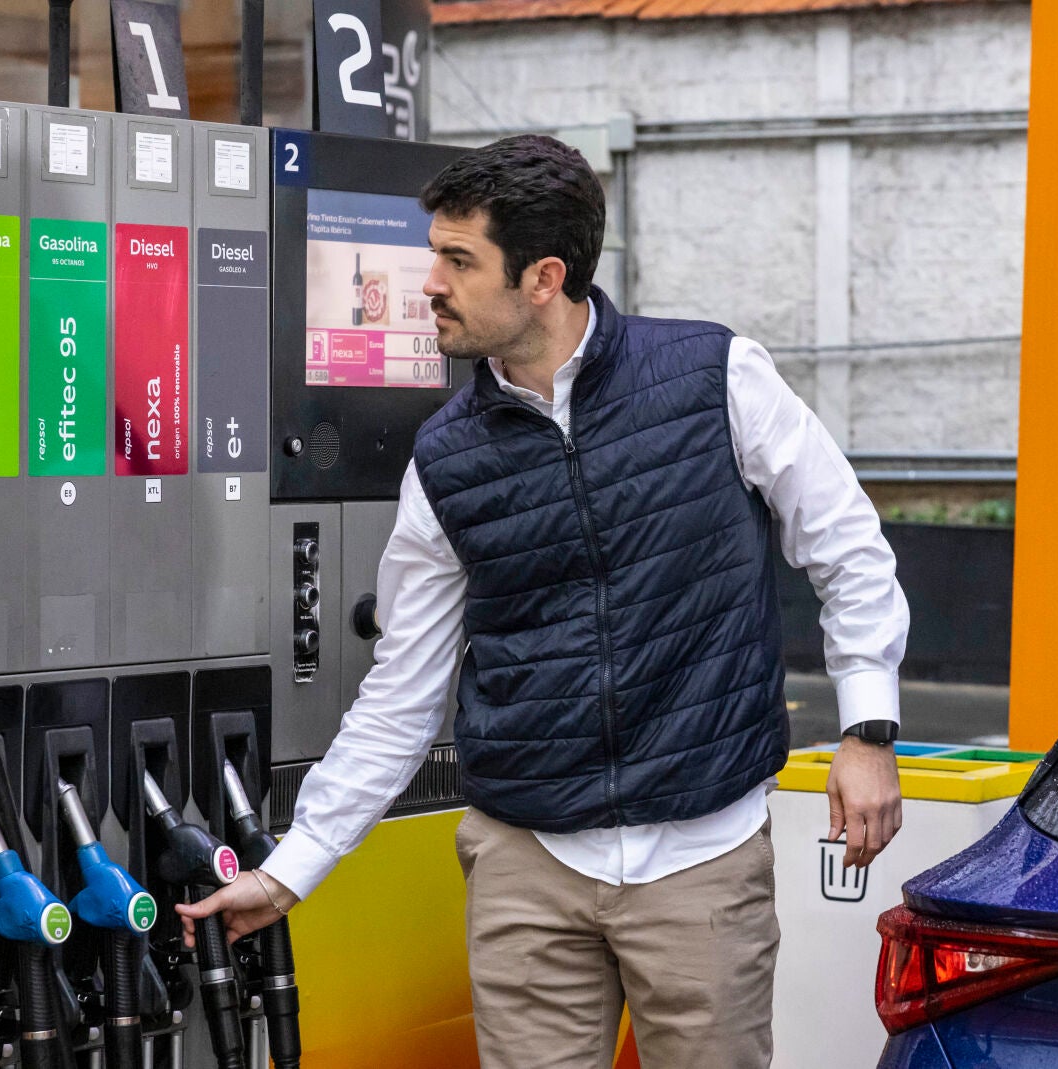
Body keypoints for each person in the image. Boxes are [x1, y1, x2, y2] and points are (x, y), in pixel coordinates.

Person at [178, 134, 910, 1069]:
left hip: (701, 853)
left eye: (458, 260)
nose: (429, 284)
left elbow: (845, 542)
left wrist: (867, 730)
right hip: (526, 867)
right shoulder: (446, 460)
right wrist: (291, 868)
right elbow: (402, 691)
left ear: (543, 278)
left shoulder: (714, 378)